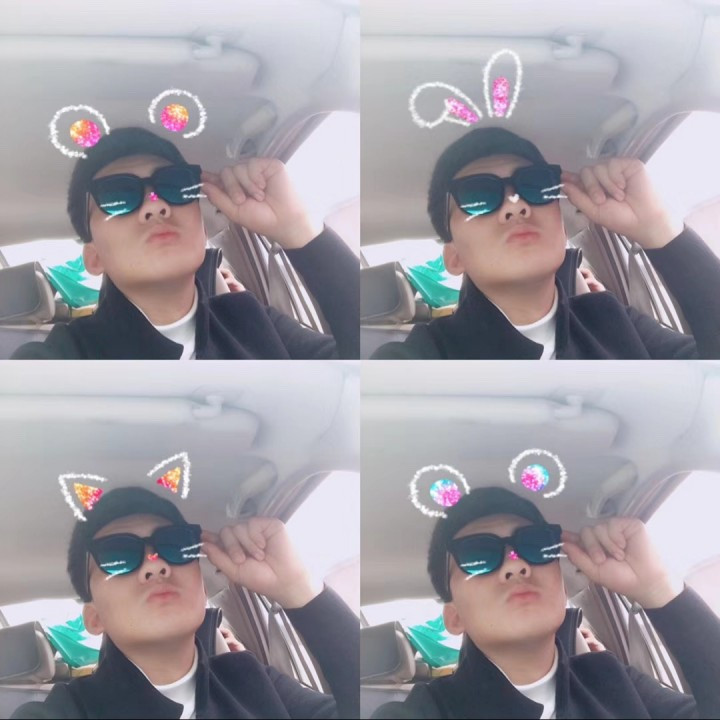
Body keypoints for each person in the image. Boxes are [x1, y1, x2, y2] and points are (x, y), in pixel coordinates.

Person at [372, 127, 720, 359]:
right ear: (455, 257)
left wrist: (659, 230)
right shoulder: (420, 358)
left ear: (562, 226)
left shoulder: (614, 321)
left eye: (535, 185)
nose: (516, 205)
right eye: (478, 196)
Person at [12, 127, 359, 360]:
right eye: (118, 197)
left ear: (202, 229)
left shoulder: (252, 320)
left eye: (174, 185)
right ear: (95, 257)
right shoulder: (63, 356)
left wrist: (299, 230)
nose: (155, 206)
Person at [372, 487, 720, 719]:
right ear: (455, 617)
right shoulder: (421, 712)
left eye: (535, 545)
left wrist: (659, 589)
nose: (515, 565)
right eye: (478, 556)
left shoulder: (612, 679)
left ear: (562, 585)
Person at [11, 487, 359, 719]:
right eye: (118, 556)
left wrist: (298, 589)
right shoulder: (65, 711)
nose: (155, 565)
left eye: (175, 545)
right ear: (95, 617)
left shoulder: (253, 680)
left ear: (202, 587)